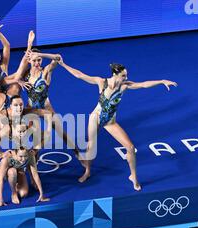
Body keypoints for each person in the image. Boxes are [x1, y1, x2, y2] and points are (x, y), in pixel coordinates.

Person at [59, 59, 177, 190]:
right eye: (123, 76)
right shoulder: (101, 82)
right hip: (95, 118)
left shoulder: (124, 86)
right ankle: (87, 171)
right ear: (115, 74)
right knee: (91, 148)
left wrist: (161, 81)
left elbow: (143, 84)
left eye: (126, 75)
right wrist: (63, 64)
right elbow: (79, 75)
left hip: (110, 121)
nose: (126, 78)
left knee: (130, 147)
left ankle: (134, 177)